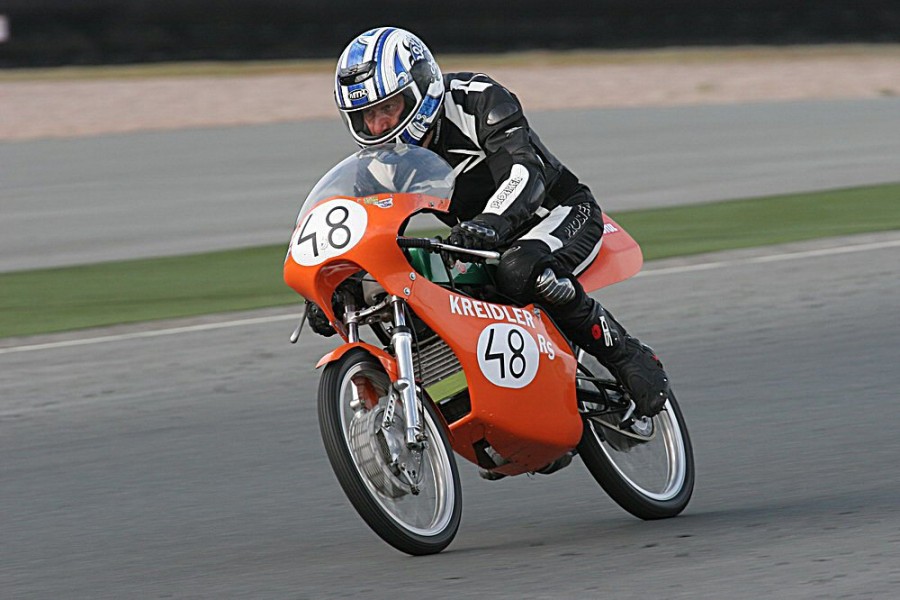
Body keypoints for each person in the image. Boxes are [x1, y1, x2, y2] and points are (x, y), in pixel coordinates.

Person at [312, 26, 670, 421]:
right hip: (480, 241)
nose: (378, 126)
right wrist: (330, 286)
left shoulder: (477, 98)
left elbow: (524, 171)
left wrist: (491, 223)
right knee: (411, 286)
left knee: (520, 269)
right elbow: (355, 224)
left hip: (559, 214)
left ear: (419, 88)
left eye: (387, 109)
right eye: (366, 116)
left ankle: (624, 352)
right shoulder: (381, 161)